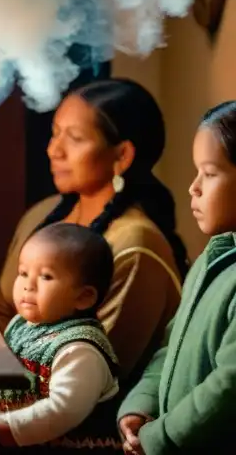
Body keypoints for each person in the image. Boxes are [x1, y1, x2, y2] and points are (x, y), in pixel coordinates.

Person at [0, 79, 186, 388]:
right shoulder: (42, 215)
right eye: (55, 133)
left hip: (87, 419)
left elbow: (91, 376)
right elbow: (0, 309)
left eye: (75, 138)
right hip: (15, 390)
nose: (53, 150)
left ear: (122, 156)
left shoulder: (135, 245)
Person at [116, 101, 236, 454]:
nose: (193, 188)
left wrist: (160, 436)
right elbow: (170, 347)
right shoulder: (209, 261)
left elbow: (229, 385)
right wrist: (141, 405)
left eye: (209, 173)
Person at [0, 223, 122, 451]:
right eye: (23, 273)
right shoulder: (22, 324)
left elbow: (62, 410)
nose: (28, 286)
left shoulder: (80, 350)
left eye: (45, 276)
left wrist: (5, 428)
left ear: (83, 297)